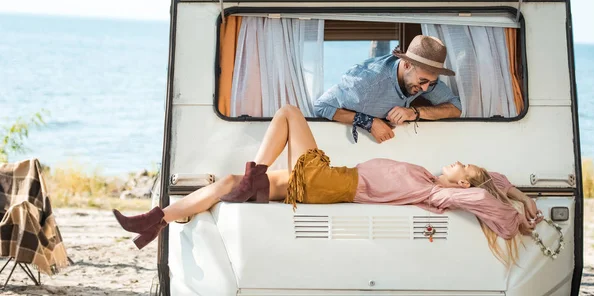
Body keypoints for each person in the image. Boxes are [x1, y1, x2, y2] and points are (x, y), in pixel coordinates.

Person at [113, 105, 541, 266]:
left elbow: (487, 197)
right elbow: (496, 184)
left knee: (288, 114)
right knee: (227, 182)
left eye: (461, 164)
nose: (455, 161)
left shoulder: (436, 192)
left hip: (333, 182)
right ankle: (155, 221)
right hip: (326, 182)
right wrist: (520, 193)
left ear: (463, 180)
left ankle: (254, 178)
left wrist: (518, 217)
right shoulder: (431, 179)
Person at [314, 35, 462, 143]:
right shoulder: (364, 83)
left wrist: (414, 112)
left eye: (430, 83)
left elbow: (456, 108)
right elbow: (321, 106)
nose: (425, 88)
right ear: (407, 65)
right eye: (422, 81)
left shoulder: (426, 81)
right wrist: (369, 122)